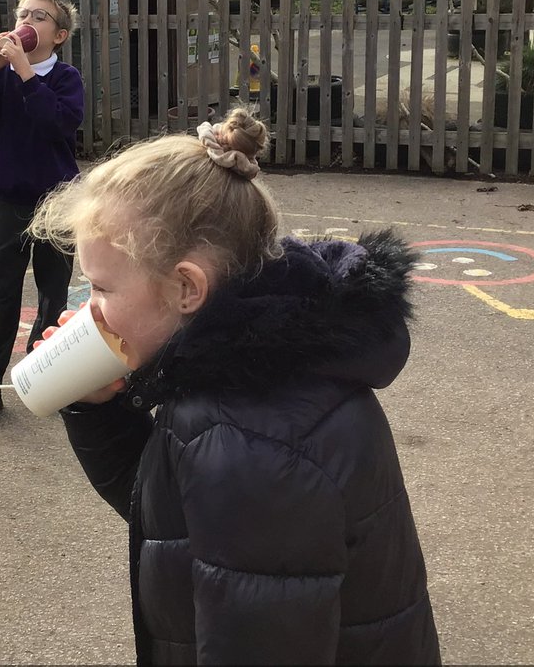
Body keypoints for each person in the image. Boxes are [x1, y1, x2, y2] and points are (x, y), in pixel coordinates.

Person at [28, 108, 440, 664]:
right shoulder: (234, 365)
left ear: (186, 288)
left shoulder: (253, 446)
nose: (88, 308)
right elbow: (180, 518)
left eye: (101, 287)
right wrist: (100, 409)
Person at [0, 0, 84, 430]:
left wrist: (26, 72)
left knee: (52, 296)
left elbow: (57, 124)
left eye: (39, 17)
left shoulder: (65, 78)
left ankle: (42, 378)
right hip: (10, 203)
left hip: (58, 204)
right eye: (22, 14)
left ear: (58, 35)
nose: (26, 21)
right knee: (0, 295)